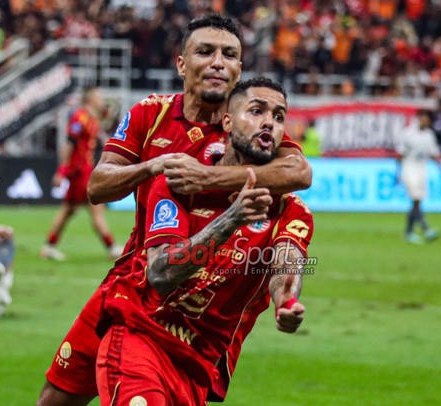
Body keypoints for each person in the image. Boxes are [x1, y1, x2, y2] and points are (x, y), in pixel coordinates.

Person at [37, 15, 312, 406]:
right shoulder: (152, 113)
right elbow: (98, 186)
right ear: (181, 64)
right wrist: (152, 166)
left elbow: (299, 173)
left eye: (229, 55)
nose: (218, 62)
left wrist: (207, 178)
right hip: (137, 283)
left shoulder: (251, 123)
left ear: (239, 69)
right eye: (206, 52)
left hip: (198, 319)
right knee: (55, 400)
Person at [96, 78, 313, 404]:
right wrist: (231, 220)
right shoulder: (179, 184)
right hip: (141, 337)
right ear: (227, 122)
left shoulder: (291, 210)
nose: (269, 121)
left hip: (197, 364)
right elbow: (161, 273)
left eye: (279, 116)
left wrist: (286, 299)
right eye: (256, 111)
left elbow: (287, 263)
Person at [40, 86, 121, 261]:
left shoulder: (91, 119)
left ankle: (49, 246)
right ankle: (112, 247)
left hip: (85, 171)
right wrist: (61, 171)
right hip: (80, 172)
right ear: (90, 99)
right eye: (98, 97)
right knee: (95, 208)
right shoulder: (79, 118)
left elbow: (101, 135)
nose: (101, 100)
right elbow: (69, 145)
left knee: (68, 210)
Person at [396, 109, 441, 244]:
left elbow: (434, 154)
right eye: (424, 118)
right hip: (409, 167)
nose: (426, 121)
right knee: (416, 199)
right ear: (418, 118)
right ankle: (425, 229)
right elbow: (400, 154)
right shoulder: (408, 133)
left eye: (428, 120)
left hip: (421, 169)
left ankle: (409, 232)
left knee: (417, 202)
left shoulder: (429, 135)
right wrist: (398, 173)